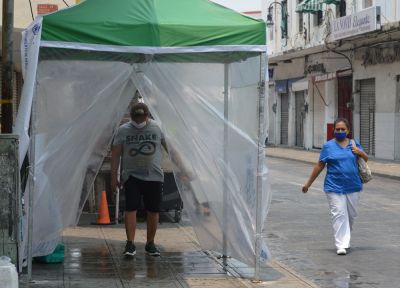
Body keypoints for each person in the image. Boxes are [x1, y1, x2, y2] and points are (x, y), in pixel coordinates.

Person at [302, 118, 369, 256]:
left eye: (342, 129)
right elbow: (320, 165)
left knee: (350, 215)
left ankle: (346, 240)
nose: (339, 131)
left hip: (353, 185)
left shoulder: (354, 144)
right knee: (339, 214)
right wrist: (308, 184)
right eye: (337, 129)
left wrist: (359, 152)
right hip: (334, 186)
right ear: (334, 130)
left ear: (348, 131)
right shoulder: (328, 146)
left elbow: (365, 158)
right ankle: (341, 244)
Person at [111, 102, 167, 257]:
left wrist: (183, 168)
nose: (138, 121)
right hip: (132, 176)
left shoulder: (157, 128)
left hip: (154, 176)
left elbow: (171, 148)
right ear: (131, 116)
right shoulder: (123, 130)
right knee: (131, 208)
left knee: (153, 210)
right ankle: (130, 244)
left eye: (141, 118)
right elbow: (115, 154)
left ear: (147, 115)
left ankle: (150, 243)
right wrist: (113, 177)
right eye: (135, 118)